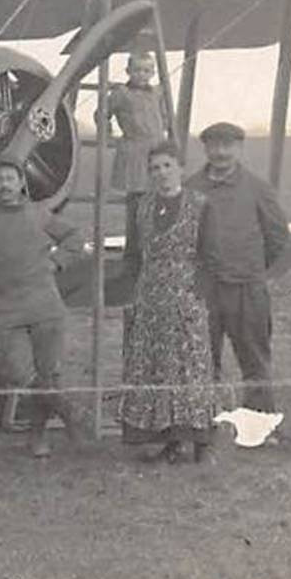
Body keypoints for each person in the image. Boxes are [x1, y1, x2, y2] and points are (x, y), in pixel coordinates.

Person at [0, 158, 91, 458]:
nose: (5, 185)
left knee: (48, 373)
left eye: (10, 178)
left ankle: (37, 438)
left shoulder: (39, 214)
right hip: (6, 310)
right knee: (16, 371)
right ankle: (68, 409)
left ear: (22, 182)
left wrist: (56, 261)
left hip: (45, 305)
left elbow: (75, 237)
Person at [117, 143, 220, 465]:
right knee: (156, 370)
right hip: (150, 300)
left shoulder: (201, 205)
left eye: (167, 166)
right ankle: (169, 441)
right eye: (155, 168)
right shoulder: (142, 207)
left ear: (180, 168)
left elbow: (211, 256)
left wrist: (196, 293)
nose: (161, 173)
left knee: (191, 368)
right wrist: (134, 295)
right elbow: (132, 256)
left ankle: (201, 443)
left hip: (186, 297)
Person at [185, 121, 290, 423]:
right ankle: (203, 424)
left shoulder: (257, 188)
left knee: (255, 358)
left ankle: (259, 425)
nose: (220, 152)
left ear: (239, 148)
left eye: (227, 145)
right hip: (205, 290)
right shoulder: (192, 188)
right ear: (205, 148)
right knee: (202, 358)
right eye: (214, 145)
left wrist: (251, 266)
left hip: (247, 288)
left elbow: (278, 237)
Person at [100, 51, 166, 251]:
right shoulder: (121, 93)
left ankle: (153, 245)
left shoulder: (158, 93)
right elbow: (102, 113)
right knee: (137, 200)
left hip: (156, 148)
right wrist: (107, 132)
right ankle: (133, 248)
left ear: (153, 73)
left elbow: (164, 116)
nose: (142, 75)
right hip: (135, 149)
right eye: (137, 70)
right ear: (128, 71)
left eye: (146, 71)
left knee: (159, 197)